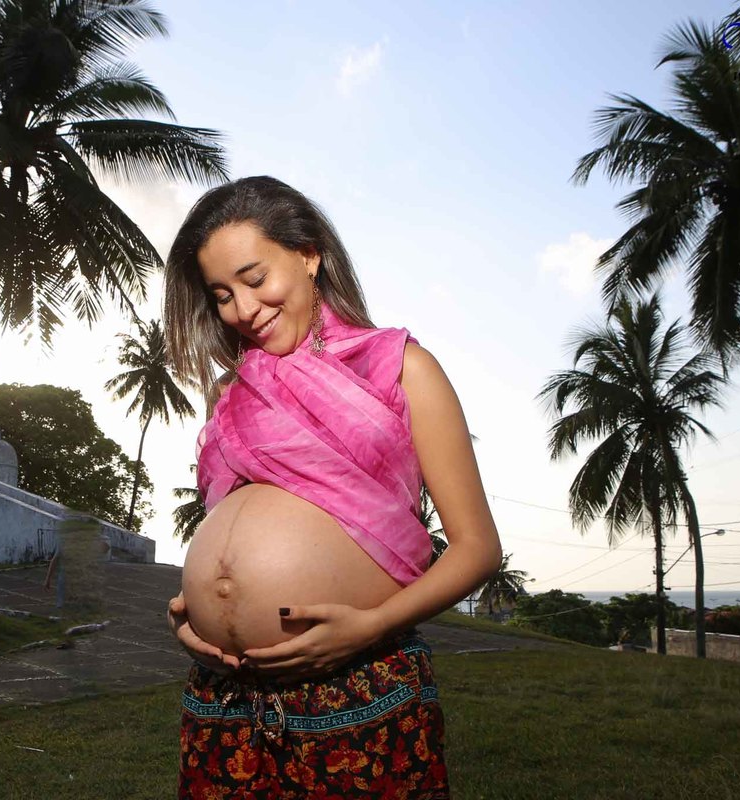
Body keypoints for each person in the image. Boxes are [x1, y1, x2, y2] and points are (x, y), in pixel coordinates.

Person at [162, 176, 502, 798]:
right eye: (221, 294)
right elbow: (229, 524)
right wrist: (191, 616)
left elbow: (478, 549)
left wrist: (368, 628)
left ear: (310, 254)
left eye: (255, 278)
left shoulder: (400, 367)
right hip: (223, 702)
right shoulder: (230, 395)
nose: (242, 308)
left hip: (358, 689)